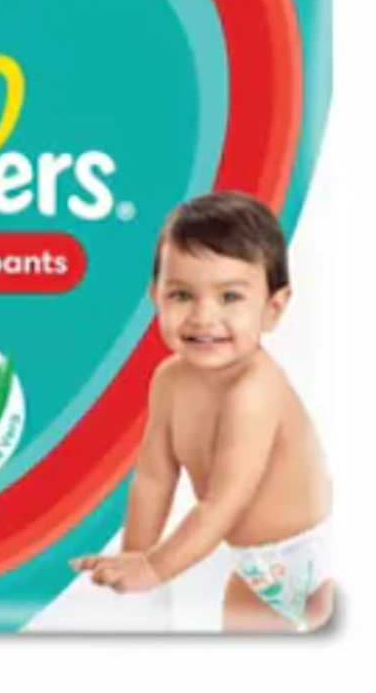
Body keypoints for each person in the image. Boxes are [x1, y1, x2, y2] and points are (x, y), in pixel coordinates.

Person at [72, 191, 333, 632]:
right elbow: (154, 477)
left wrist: (155, 568)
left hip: (312, 555)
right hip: (254, 562)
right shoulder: (169, 380)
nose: (202, 316)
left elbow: (224, 503)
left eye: (230, 296)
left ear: (272, 309)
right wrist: (133, 557)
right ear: (156, 296)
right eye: (181, 294)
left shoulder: (254, 389)